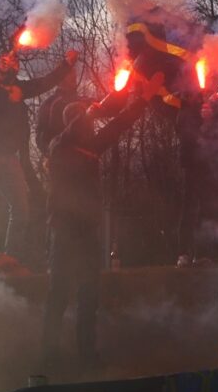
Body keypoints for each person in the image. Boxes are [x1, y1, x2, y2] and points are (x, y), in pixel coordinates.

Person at [40, 82, 151, 369]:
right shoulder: (58, 146)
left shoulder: (90, 146)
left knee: (89, 295)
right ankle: (48, 354)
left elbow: (119, 125)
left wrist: (141, 100)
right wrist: (88, 112)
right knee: (58, 293)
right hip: (64, 231)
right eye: (85, 121)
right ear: (76, 122)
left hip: (87, 232)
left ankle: (87, 354)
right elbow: (75, 128)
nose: (92, 128)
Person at [0, 45, 78, 263]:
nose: (12, 63)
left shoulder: (18, 87)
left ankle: (11, 258)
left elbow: (44, 83)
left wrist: (67, 64)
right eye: (7, 60)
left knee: (21, 209)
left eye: (16, 63)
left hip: (9, 157)